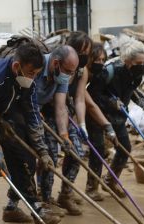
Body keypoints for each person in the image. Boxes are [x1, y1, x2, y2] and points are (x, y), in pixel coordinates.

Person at [0, 43, 61, 224]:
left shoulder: (27, 81)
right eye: (31, 72)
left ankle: (13, 208)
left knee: (26, 162)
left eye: (36, 74)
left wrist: (43, 151)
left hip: (6, 121)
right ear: (17, 66)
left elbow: (32, 114)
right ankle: (36, 211)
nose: (33, 78)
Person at [87, 37, 144, 196]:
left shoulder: (136, 75)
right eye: (138, 63)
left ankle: (110, 181)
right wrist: (111, 103)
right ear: (127, 61)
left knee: (125, 148)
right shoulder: (108, 72)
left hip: (119, 116)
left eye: (143, 63)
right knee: (98, 150)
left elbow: (130, 90)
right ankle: (92, 187)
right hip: (98, 115)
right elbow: (92, 97)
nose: (141, 67)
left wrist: (139, 98)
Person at [34, 45, 79, 215]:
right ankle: (40, 202)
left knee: (57, 155)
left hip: (40, 116)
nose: (69, 76)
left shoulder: (63, 77)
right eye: (67, 71)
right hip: (24, 116)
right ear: (55, 63)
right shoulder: (36, 67)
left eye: (72, 73)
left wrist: (64, 136)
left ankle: (52, 199)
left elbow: (61, 107)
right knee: (40, 160)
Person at [50, 31, 91, 213]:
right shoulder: (56, 66)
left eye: (86, 53)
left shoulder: (82, 71)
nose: (83, 57)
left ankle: (65, 194)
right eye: (80, 51)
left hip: (69, 117)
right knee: (49, 159)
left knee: (77, 155)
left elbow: (80, 99)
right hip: (50, 116)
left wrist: (81, 124)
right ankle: (45, 200)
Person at [81, 43, 116, 201]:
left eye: (103, 59)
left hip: (91, 112)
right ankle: (88, 187)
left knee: (99, 148)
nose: (101, 63)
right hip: (81, 112)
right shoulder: (83, 71)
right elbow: (89, 102)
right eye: (97, 59)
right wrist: (106, 125)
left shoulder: (98, 73)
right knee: (94, 149)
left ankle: (92, 185)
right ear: (89, 58)